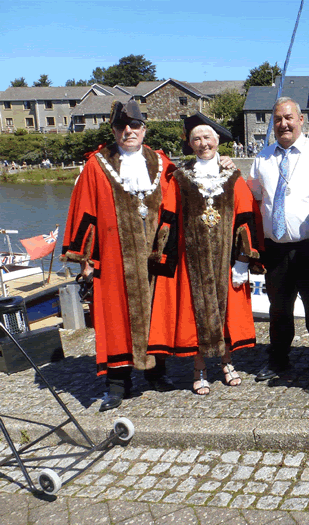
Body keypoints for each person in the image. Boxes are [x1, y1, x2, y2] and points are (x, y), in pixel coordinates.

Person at [60, 99, 178, 411]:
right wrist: (84, 260)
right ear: (113, 130)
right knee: (115, 318)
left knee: (155, 313)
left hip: (155, 257)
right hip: (114, 257)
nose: (129, 131)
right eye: (122, 126)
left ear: (144, 129)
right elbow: (83, 209)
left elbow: (181, 200)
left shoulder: (162, 163)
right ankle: (116, 384)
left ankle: (157, 373)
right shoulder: (97, 165)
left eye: (135, 126)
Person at [147, 112, 264, 394]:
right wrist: (164, 258)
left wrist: (243, 260)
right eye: (196, 138)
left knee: (225, 314)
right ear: (190, 144)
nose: (203, 143)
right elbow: (169, 219)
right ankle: (199, 369)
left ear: (217, 140)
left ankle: (226, 363)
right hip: (192, 262)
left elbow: (245, 217)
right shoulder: (180, 178)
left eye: (207, 137)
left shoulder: (232, 175)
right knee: (196, 314)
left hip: (225, 260)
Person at [248, 97, 309, 381]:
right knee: (279, 308)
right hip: (275, 248)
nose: (283, 124)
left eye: (289, 118)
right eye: (277, 119)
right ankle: (278, 359)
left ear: (302, 120)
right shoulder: (261, 158)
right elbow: (253, 200)